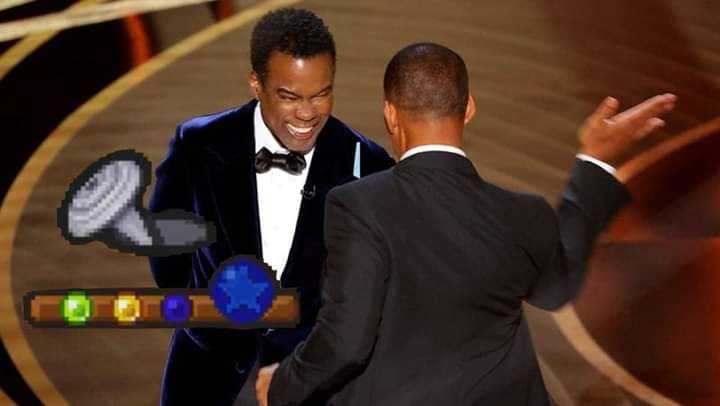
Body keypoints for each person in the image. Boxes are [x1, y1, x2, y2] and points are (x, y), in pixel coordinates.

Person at [255, 43, 676, 405]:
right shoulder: (523, 213)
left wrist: (282, 386)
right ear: (469, 108)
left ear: (390, 114)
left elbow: (345, 343)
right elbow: (555, 288)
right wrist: (595, 160)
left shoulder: (358, 205)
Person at [148, 8, 394, 405]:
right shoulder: (199, 144)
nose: (307, 113)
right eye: (289, 96)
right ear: (256, 84)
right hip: (207, 378)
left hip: (314, 386)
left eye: (321, 93)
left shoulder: (367, 162)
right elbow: (166, 251)